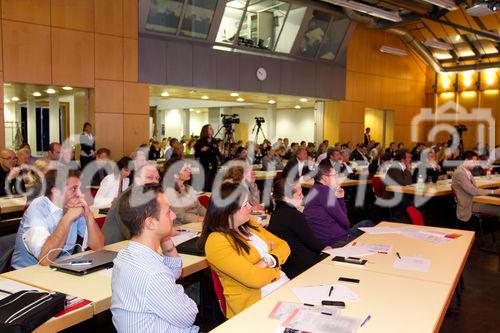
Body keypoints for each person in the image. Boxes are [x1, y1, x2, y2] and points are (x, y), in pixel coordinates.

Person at [111, 183, 199, 332]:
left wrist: (164, 238)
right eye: (168, 212)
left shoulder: (126, 255)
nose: (174, 216)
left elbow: (173, 273)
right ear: (150, 223)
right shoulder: (153, 273)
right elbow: (189, 316)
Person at [198, 182, 290, 318]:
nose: (250, 207)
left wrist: (268, 260)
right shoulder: (216, 241)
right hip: (254, 305)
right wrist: (275, 267)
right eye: (245, 205)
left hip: (280, 288)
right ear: (229, 210)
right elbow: (253, 279)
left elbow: (284, 246)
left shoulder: (248, 224)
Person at [11, 169, 104, 269]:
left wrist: (88, 215)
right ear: (55, 191)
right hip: (27, 274)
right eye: (74, 188)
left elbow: (98, 246)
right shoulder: (36, 210)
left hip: (61, 268)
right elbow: (45, 259)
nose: (80, 194)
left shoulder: (75, 205)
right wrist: (67, 218)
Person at [267, 178, 331, 278]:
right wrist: (329, 249)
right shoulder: (293, 215)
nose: (303, 197)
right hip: (303, 267)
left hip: (287, 264)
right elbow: (314, 244)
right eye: (299, 194)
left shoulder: (276, 214)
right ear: (287, 198)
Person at [303, 163, 373, 247]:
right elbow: (345, 222)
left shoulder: (314, 190)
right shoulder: (325, 192)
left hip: (325, 239)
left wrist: (340, 198)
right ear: (325, 178)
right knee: (368, 225)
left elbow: (342, 219)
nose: (337, 178)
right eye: (334, 175)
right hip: (336, 241)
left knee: (366, 223)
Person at [102, 164, 160, 245]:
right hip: (113, 248)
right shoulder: (128, 198)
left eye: (157, 178)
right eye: (149, 178)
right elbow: (133, 232)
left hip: (128, 244)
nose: (155, 181)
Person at [452, 151, 500, 222]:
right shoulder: (460, 173)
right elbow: (473, 191)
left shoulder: (466, 171)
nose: (475, 164)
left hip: (474, 201)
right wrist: (493, 191)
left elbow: (474, 190)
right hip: (469, 206)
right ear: (466, 161)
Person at [164, 160, 206, 225]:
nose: (189, 171)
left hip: (197, 223)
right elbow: (181, 216)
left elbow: (199, 208)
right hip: (183, 227)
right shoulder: (170, 192)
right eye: (185, 170)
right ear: (176, 175)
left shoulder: (189, 188)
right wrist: (203, 219)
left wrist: (210, 217)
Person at [194, 124, 221, 192]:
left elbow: (217, 152)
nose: (212, 129)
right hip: (205, 164)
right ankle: (207, 194)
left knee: (213, 180)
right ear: (206, 131)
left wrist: (220, 157)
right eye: (210, 128)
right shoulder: (200, 141)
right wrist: (201, 150)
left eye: (212, 128)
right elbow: (196, 155)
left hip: (214, 163)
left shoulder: (214, 140)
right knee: (206, 181)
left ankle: (212, 193)